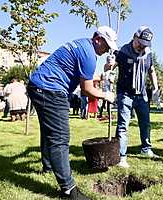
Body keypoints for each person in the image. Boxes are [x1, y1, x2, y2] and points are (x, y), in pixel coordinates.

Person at [27, 26, 117, 200]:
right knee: (60, 137)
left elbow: (82, 75)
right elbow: (86, 89)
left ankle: (49, 167)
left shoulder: (82, 45)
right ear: (98, 39)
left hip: (38, 85)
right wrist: (106, 95)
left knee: (49, 132)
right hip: (50, 89)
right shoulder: (89, 55)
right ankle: (68, 190)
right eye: (106, 46)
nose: (107, 50)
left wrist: (103, 76)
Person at [111, 26, 159, 168]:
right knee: (123, 126)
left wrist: (155, 88)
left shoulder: (148, 53)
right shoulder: (122, 51)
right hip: (125, 94)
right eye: (141, 43)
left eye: (146, 44)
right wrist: (108, 65)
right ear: (134, 37)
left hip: (142, 95)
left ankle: (146, 149)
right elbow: (109, 68)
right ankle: (121, 157)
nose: (142, 47)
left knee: (145, 124)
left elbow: (151, 70)